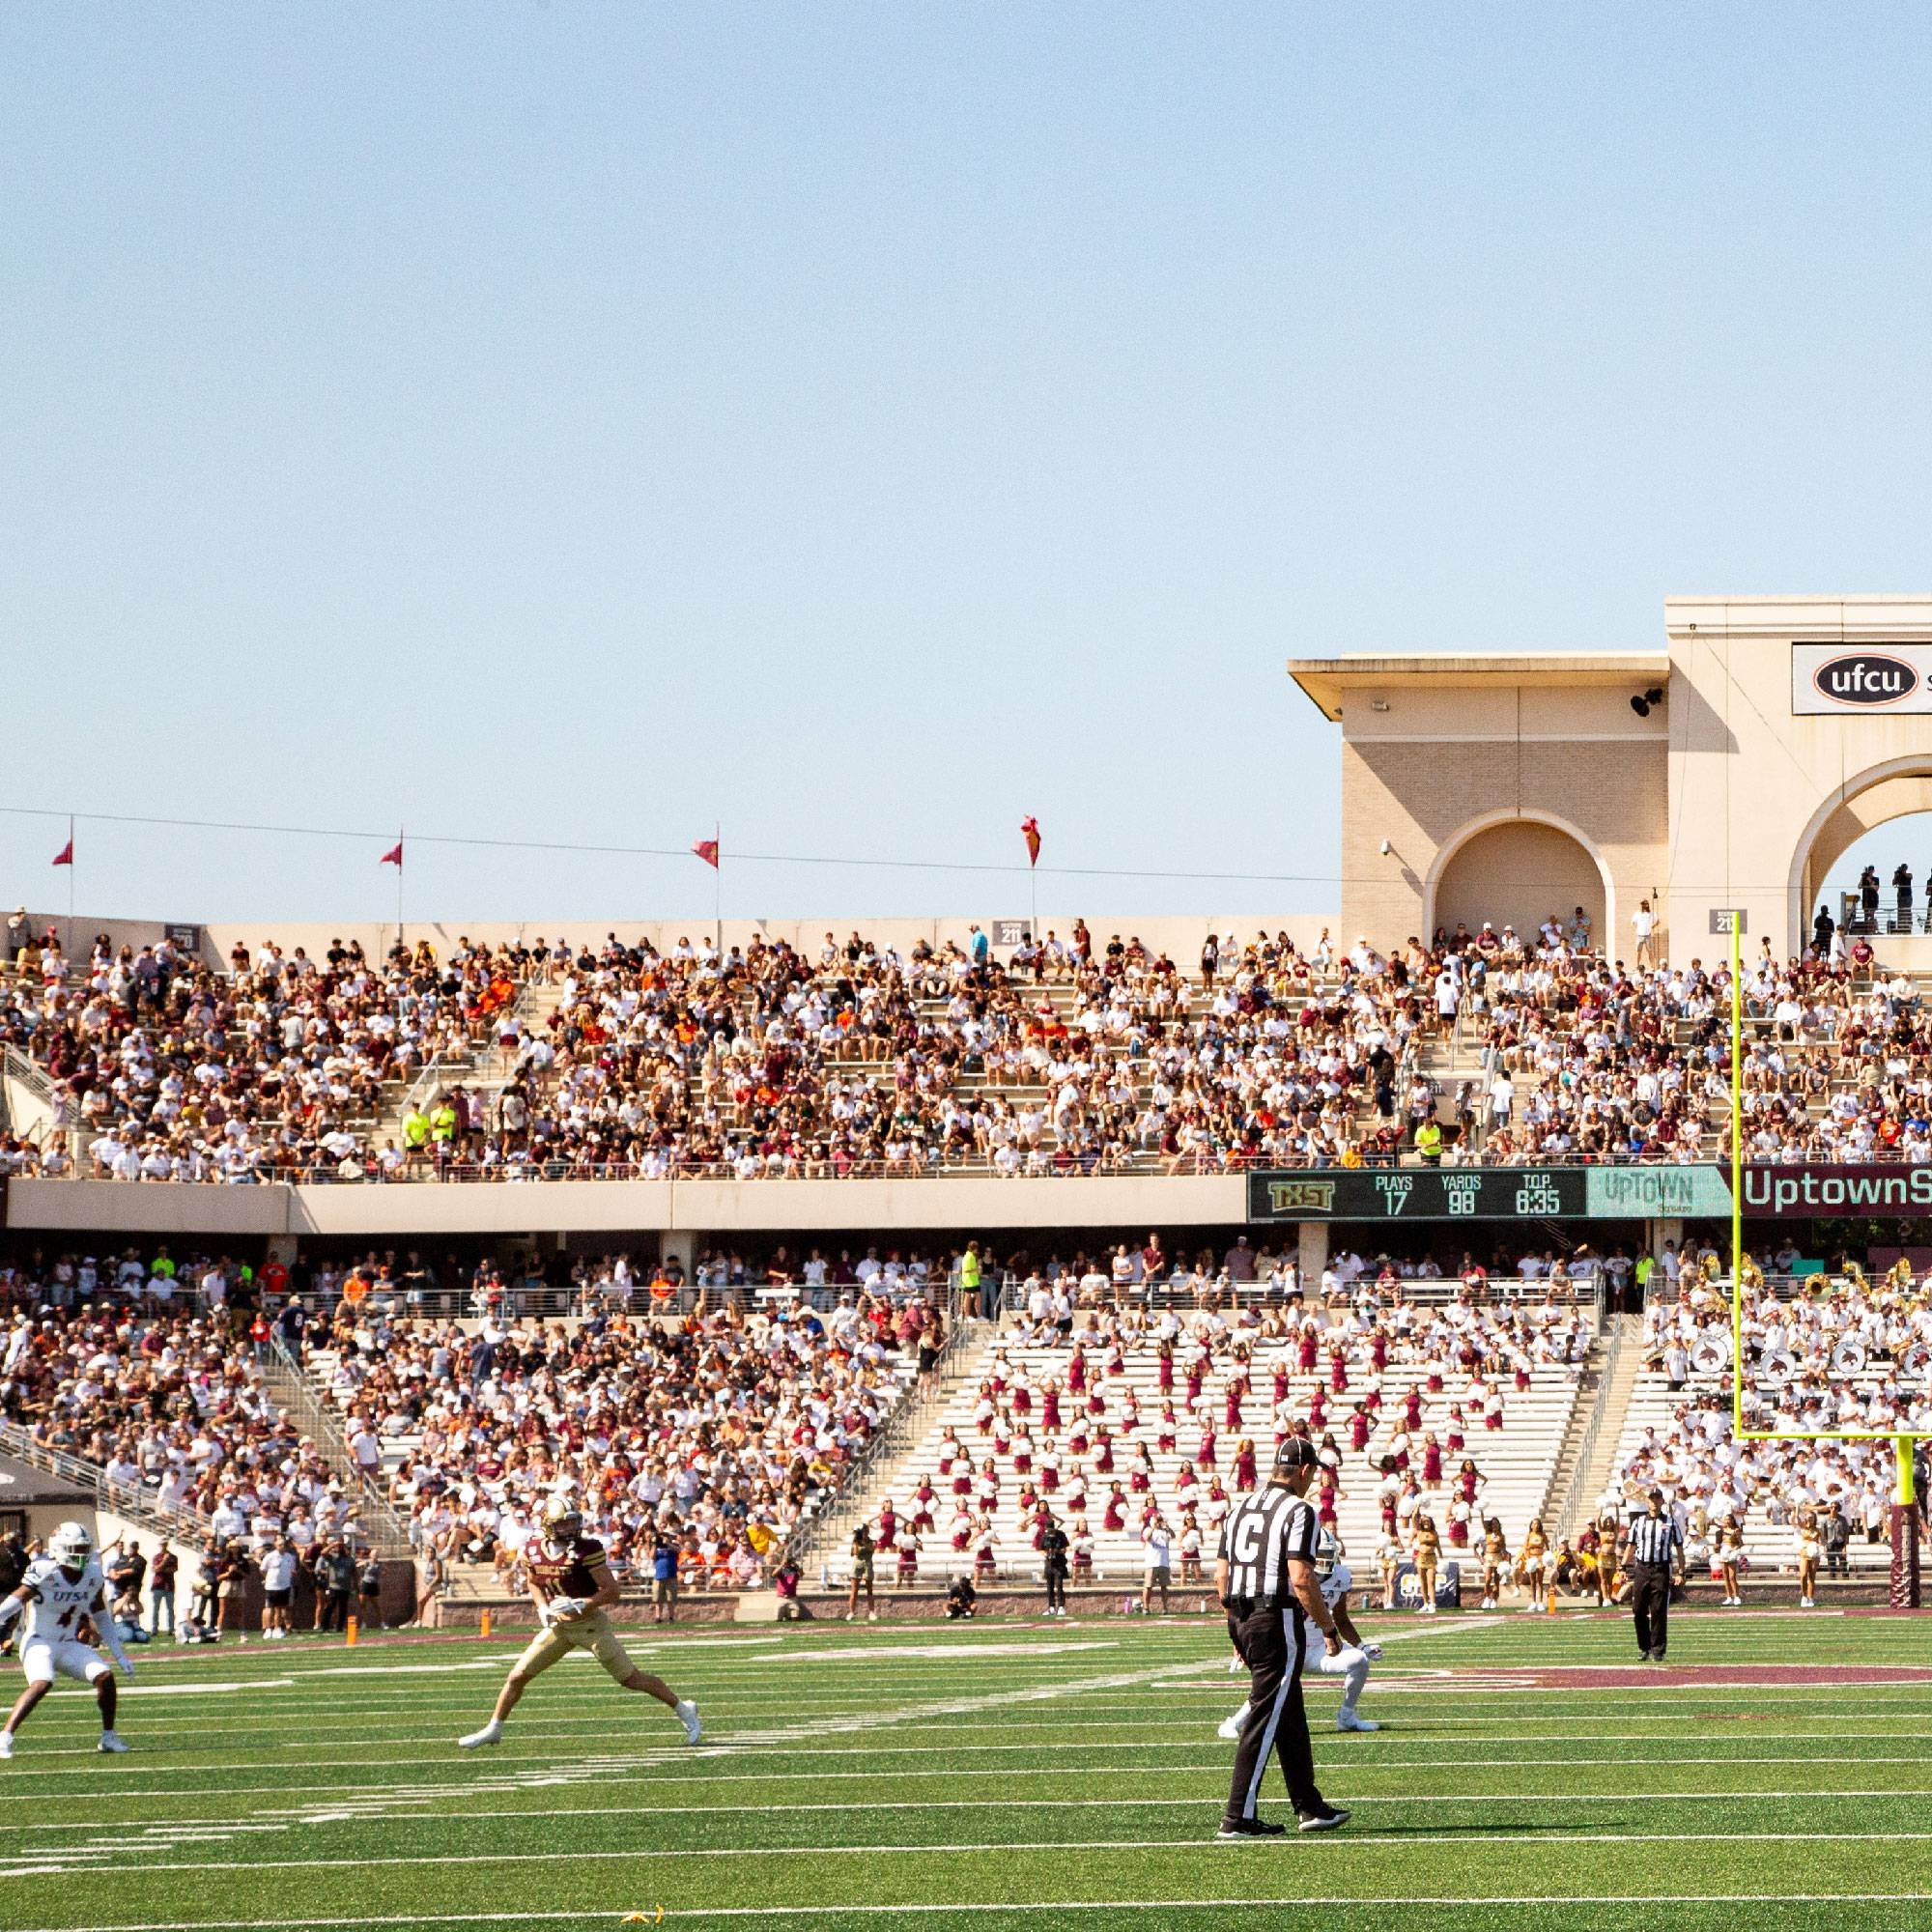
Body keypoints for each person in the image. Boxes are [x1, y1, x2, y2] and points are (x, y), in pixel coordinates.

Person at [459, 1495, 699, 1750]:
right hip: (560, 1627)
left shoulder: (587, 1549)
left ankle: (684, 1709)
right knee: (517, 1676)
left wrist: (583, 1603)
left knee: (631, 1679)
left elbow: (612, 1591)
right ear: (550, 1525)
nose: (571, 1529)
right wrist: (542, 1607)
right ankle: (494, 1728)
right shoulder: (534, 1549)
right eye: (564, 1524)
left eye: (573, 1523)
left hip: (590, 1625)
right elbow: (533, 1582)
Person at [1214, 1438, 1351, 1838]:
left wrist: (1234, 1626)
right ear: (1306, 1471)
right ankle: (1238, 1815)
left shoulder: (1240, 1507)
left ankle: (1309, 1805)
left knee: (1288, 1710)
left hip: (1241, 1613)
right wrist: (1328, 1628)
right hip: (1274, 1616)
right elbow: (1301, 1577)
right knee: (1266, 1714)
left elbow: (1221, 1574)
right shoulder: (1300, 1510)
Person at [1221, 1528, 1382, 1740]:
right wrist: (1242, 1644)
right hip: (1287, 1645)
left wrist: (1362, 1646)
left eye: (1328, 1553)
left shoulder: (1341, 1576)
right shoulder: (1286, 1576)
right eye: (1320, 1554)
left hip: (1319, 1649)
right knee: (1273, 1684)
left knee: (1359, 1661)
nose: (1325, 1559)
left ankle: (1346, 1716)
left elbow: (1341, 1619)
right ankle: (1233, 1723)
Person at [0, 1521, 133, 1756]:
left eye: (83, 1549)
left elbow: (102, 1617)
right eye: (76, 1549)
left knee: (105, 1676)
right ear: (60, 1549)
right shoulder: (44, 1571)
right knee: (42, 1682)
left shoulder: (92, 1575)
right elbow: (16, 1600)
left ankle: (109, 1737)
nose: (81, 1554)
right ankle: (5, 1737)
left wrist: (119, 1655)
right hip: (39, 1642)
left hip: (69, 1643)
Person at [1619, 1489, 1683, 1662]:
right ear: (1647, 1501)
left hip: (1661, 1569)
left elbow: (1679, 1547)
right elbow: (1631, 1546)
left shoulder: (1670, 1522)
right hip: (1642, 1568)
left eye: (1657, 1498)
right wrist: (1623, 1568)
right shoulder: (1639, 1522)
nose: (1654, 1501)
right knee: (1638, 1609)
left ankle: (1658, 1649)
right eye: (1651, 1498)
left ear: (1662, 1501)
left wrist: (1680, 1571)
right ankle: (1644, 1647)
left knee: (1658, 1610)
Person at [261, 1535, 298, 1640]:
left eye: (284, 1545)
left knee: (280, 1609)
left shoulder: (289, 1557)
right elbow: (263, 1569)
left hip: (285, 1586)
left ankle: (277, 1629)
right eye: (280, 1544)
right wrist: (267, 1579)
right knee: (270, 1608)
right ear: (275, 1545)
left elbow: (292, 1570)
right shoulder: (270, 1556)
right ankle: (268, 1629)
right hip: (272, 1586)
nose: (282, 1546)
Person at [1040, 1511, 1070, 1619]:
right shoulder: (1044, 1536)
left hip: (1059, 1563)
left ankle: (1061, 1606)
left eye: (1051, 1530)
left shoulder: (1060, 1535)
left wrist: (1058, 1551)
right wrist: (1046, 1554)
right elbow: (1041, 1548)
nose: (1050, 1532)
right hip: (1049, 1564)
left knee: (1059, 1585)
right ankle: (1051, 1607)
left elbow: (1066, 1547)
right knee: (1049, 1586)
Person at [846, 1521, 876, 1622]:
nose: (864, 1533)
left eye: (865, 1531)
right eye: (862, 1531)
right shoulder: (856, 1542)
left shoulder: (872, 1541)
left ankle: (871, 1612)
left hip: (867, 1565)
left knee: (869, 1590)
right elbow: (854, 1553)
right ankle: (851, 1612)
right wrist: (855, 1541)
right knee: (854, 1590)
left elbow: (871, 1549)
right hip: (857, 1565)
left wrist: (863, 1542)